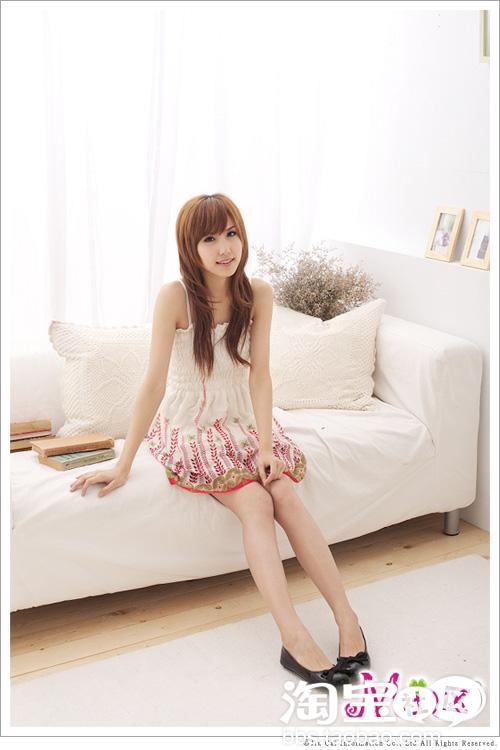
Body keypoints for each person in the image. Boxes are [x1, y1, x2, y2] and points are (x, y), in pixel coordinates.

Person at [69, 193, 370, 688]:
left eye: (231, 233)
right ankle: (293, 636)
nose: (224, 247)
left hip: (242, 421)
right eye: (209, 238)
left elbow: (260, 376)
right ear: (190, 247)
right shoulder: (175, 298)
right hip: (191, 425)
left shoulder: (259, 294)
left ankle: (347, 619)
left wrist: (267, 446)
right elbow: (153, 384)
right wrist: (124, 463)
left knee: (283, 491)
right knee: (255, 502)